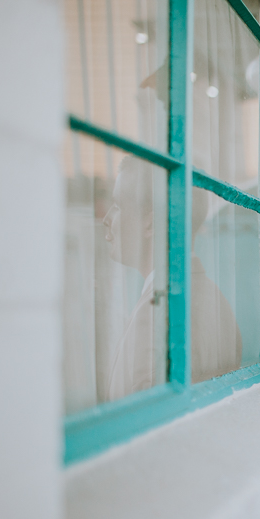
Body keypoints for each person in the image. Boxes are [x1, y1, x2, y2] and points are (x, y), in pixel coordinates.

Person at [103, 155, 242, 398]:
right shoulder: (221, 304)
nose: (106, 219)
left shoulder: (155, 310)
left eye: (118, 206)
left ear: (150, 224)